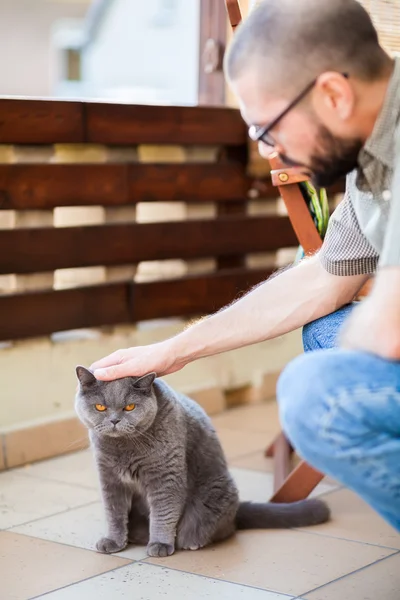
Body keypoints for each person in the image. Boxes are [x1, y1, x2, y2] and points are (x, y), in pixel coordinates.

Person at [91, 0, 400, 531]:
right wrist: (172, 351)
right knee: (326, 334)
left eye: (268, 129)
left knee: (320, 394)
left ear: (333, 94)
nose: (268, 154)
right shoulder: (371, 154)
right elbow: (327, 276)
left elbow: (389, 333)